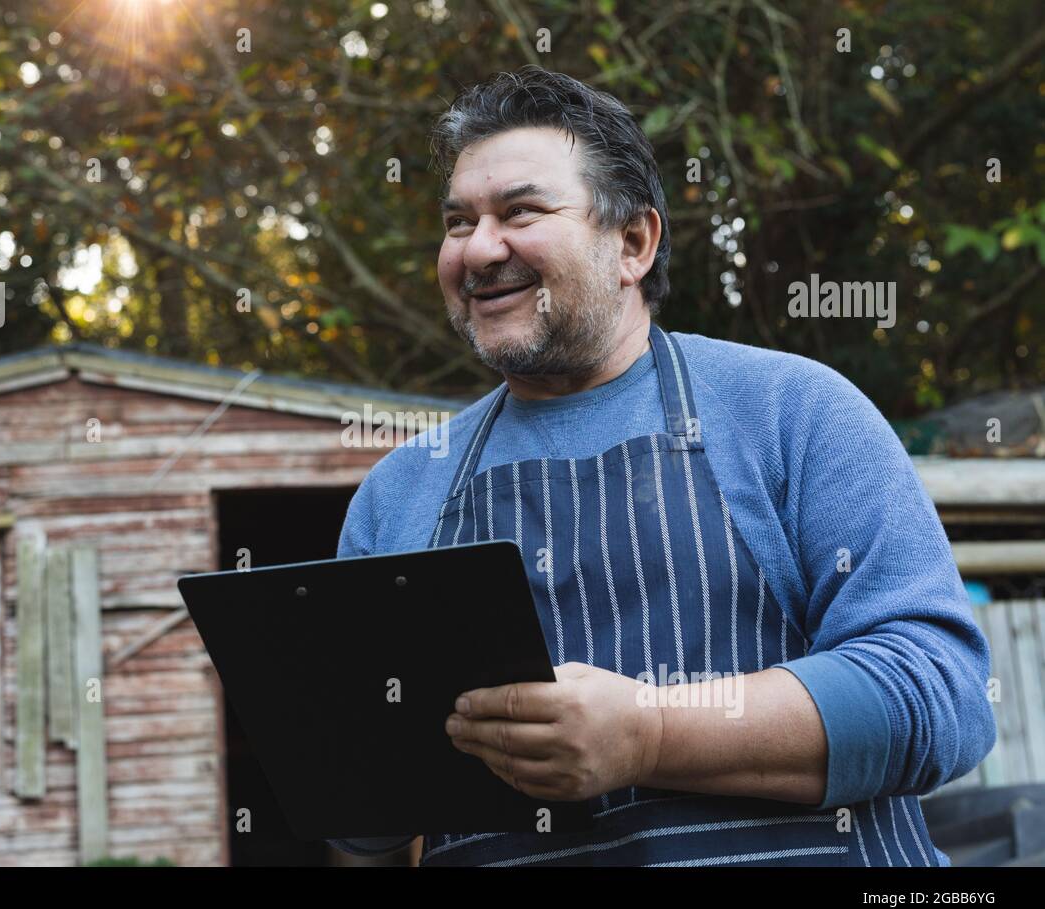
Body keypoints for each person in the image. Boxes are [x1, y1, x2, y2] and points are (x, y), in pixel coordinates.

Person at [329, 65, 995, 867]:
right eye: (457, 222)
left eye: (521, 212)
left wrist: (647, 734)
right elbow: (366, 823)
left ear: (633, 244)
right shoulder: (399, 493)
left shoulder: (792, 411)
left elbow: (940, 698)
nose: (479, 250)